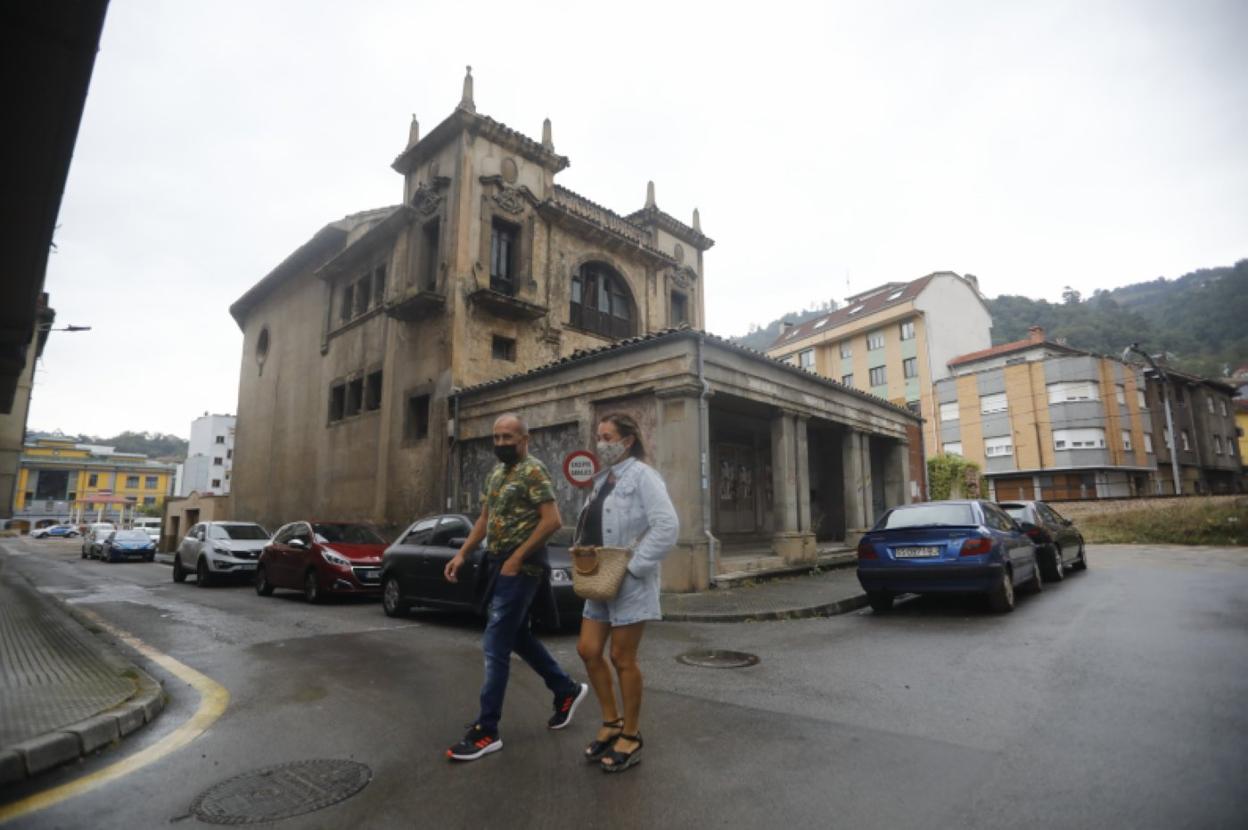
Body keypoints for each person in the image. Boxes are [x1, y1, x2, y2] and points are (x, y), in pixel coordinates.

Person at [443, 413, 588, 761]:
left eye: (508, 437)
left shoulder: (533, 470)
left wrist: (517, 557)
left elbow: (553, 520)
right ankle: (565, 689)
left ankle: (487, 729)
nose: (501, 444)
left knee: (495, 642)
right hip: (497, 563)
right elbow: (484, 519)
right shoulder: (496, 473)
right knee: (517, 636)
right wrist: (463, 553)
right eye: (497, 437)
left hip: (521, 566)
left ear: (525, 438)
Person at [574, 413, 679, 773]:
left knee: (622, 658)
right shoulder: (602, 480)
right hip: (599, 578)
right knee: (588, 650)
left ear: (627, 440)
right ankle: (610, 721)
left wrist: (633, 568)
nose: (601, 443)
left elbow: (667, 526)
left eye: (607, 437)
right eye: (598, 437)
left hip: (629, 580)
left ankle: (631, 736)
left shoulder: (644, 477)